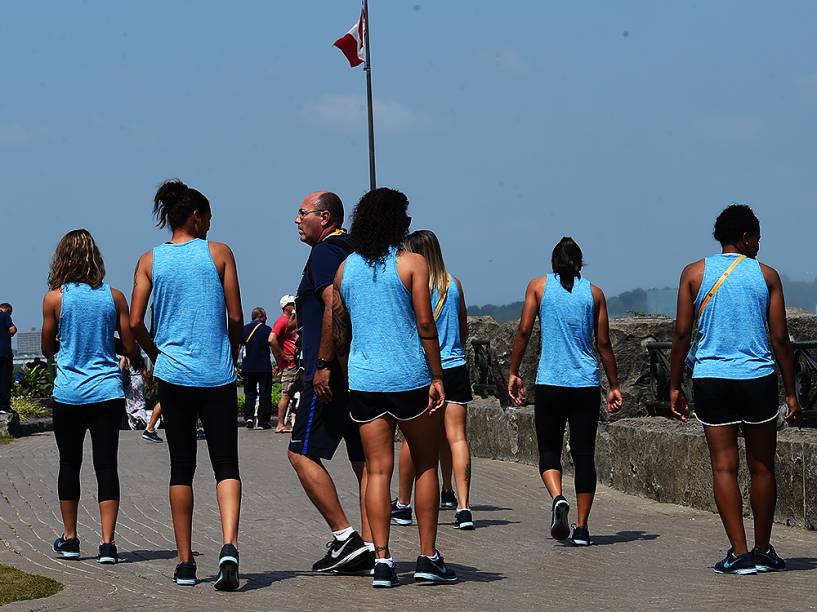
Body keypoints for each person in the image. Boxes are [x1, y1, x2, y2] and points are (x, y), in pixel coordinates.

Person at [331, 188, 457, 588]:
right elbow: (425, 324)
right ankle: (427, 556)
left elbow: (340, 330)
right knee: (423, 464)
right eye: (403, 216)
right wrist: (438, 376)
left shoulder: (346, 268)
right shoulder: (412, 263)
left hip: (364, 382)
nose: (407, 222)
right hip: (409, 378)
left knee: (377, 470)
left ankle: (382, 560)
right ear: (393, 221)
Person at [669, 204, 800, 575]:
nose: (759, 245)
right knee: (762, 468)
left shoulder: (693, 274)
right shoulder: (767, 276)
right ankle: (763, 549)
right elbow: (780, 339)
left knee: (724, 467)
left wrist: (674, 384)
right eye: (757, 238)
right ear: (745, 236)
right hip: (757, 379)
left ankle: (739, 553)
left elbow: (681, 334)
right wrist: (791, 393)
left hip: (712, 379)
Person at [130, 179, 243, 590]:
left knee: (181, 468)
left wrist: (156, 353)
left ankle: (184, 563)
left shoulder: (149, 260)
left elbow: (136, 322)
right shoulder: (219, 254)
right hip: (216, 373)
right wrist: (230, 352)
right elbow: (235, 318)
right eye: (209, 217)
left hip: (173, 374)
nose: (211, 224)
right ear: (197, 216)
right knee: (226, 465)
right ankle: (229, 545)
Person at [508, 237, 623, 547]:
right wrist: (613, 385)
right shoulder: (594, 294)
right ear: (580, 263)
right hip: (585, 384)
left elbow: (523, 331)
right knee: (585, 455)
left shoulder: (538, 287)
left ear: (553, 262)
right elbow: (604, 344)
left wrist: (514, 371)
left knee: (549, 449)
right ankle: (583, 527)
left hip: (550, 383)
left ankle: (558, 496)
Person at [288, 191, 373, 575]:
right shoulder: (355, 249)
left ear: (323, 217)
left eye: (302, 213)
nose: (296, 219)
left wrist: (322, 364)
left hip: (329, 374)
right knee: (364, 463)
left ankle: (345, 536)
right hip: (358, 372)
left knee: (301, 453)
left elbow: (333, 303)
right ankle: (373, 547)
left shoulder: (325, 252)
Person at [41, 229, 136, 564]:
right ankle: (108, 544)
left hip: (69, 393)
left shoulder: (54, 298)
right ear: (97, 259)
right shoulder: (115, 297)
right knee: (106, 465)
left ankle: (70, 538)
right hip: (107, 392)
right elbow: (128, 345)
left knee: (70, 464)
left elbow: (46, 346)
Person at [392, 230, 475, 530]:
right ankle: (463, 507)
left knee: (412, 439)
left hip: (425, 369)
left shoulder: (415, 283)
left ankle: (403, 504)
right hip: (456, 365)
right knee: (457, 437)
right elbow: (463, 328)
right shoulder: (454, 284)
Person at [241, 307, 273, 430]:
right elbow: (272, 342)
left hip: (247, 366)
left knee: (249, 393)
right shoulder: (266, 330)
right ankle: (263, 420)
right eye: (265, 317)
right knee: (265, 393)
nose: (266, 319)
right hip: (263, 366)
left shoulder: (244, 330)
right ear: (261, 317)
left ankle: (249, 417)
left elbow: (238, 346)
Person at [270, 295, 298, 433]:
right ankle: (280, 424)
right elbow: (271, 339)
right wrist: (282, 355)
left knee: (299, 392)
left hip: (295, 363)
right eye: (292, 303)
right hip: (289, 364)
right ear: (286, 306)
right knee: (286, 393)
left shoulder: (290, 320)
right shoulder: (281, 321)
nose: (294, 305)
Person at [121, 352, 148, 430]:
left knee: (130, 402)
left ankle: (133, 421)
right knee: (140, 401)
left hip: (129, 381)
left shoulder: (125, 358)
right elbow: (145, 373)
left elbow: (120, 370)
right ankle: (141, 417)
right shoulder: (141, 359)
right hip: (139, 380)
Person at [0, 303, 16, 415]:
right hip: (3, 354)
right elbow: (12, 330)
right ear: (7, 310)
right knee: (4, 380)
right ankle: (3, 406)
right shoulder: (4, 315)